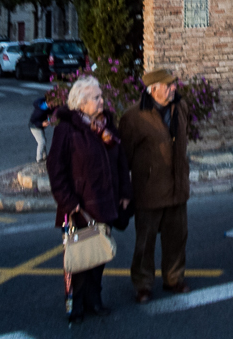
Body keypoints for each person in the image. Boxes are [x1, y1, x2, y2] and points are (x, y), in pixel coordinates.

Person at [46, 77, 132, 324]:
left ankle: (95, 300)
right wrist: (68, 200)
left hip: (105, 203)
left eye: (101, 96)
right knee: (77, 260)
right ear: (81, 104)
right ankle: (74, 305)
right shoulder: (67, 129)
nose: (102, 101)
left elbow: (121, 159)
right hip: (78, 209)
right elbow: (56, 168)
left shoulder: (106, 126)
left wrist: (125, 192)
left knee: (98, 256)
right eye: (96, 98)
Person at [119, 67, 191, 303]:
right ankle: (143, 284)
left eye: (173, 84)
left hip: (177, 188)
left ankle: (174, 278)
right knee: (145, 242)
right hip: (149, 191)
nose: (174, 88)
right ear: (153, 89)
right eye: (169, 85)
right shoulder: (134, 117)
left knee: (177, 238)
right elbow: (124, 157)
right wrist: (125, 189)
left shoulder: (180, 108)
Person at [29, 96, 52, 163]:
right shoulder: (39, 111)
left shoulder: (47, 107)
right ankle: (39, 158)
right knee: (42, 141)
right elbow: (34, 121)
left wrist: (48, 120)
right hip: (35, 127)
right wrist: (42, 124)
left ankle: (44, 156)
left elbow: (50, 114)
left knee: (43, 140)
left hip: (39, 126)